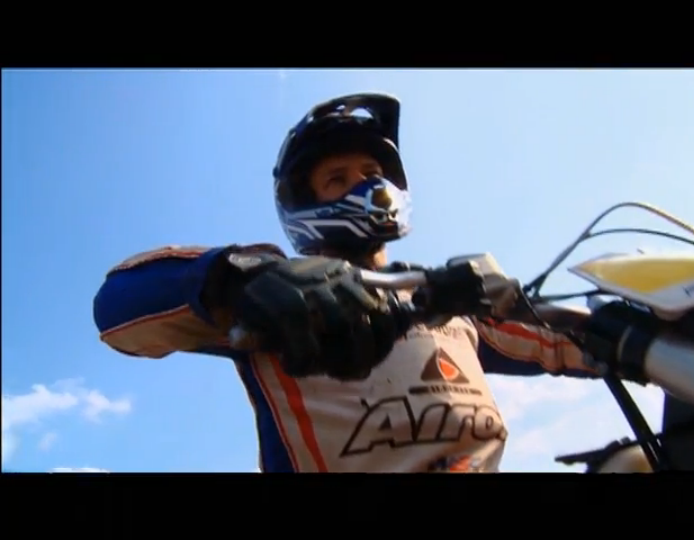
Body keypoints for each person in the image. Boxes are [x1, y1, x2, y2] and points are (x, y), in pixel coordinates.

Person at [93, 92, 600, 473]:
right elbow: (116, 311)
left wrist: (629, 321)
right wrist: (235, 279)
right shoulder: (279, 299)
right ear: (303, 203)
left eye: (373, 171)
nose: (368, 185)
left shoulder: (448, 303)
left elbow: (569, 343)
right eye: (338, 178)